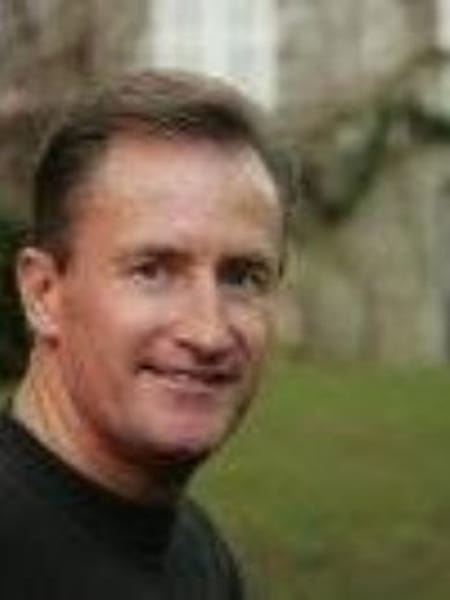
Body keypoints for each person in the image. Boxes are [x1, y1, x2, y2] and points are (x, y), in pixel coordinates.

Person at [0, 70, 289, 599]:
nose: (208, 332)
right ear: (44, 294)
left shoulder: (200, 557)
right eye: (152, 270)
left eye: (241, 277)